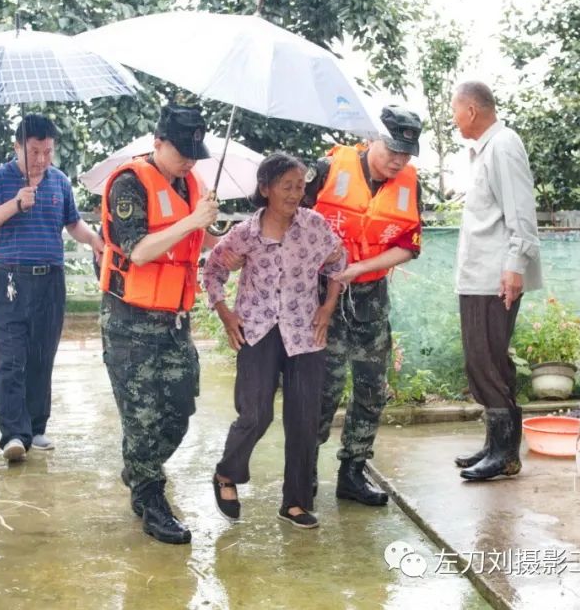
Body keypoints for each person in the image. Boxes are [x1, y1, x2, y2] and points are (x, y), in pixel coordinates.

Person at [202, 153, 345, 530]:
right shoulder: (246, 234)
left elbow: (337, 264)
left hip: (304, 333)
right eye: (287, 186)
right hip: (258, 329)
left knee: (304, 419)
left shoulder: (313, 227)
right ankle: (226, 474)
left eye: (300, 186)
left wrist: (328, 307)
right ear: (265, 189)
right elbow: (213, 270)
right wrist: (225, 313)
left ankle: (296, 502)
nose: (295, 194)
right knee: (255, 413)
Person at [99, 103, 219, 545]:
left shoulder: (191, 184)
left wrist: (214, 228)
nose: (189, 160)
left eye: (194, 152)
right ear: (158, 143)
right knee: (142, 418)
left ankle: (138, 469)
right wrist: (192, 220)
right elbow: (139, 250)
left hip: (174, 320)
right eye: (182, 151)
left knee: (179, 410)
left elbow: (199, 239)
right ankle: (151, 500)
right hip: (130, 320)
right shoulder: (130, 183)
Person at [303, 106, 425, 507]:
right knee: (325, 387)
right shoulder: (325, 170)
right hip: (321, 296)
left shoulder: (409, 182)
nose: (398, 160)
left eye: (406, 153)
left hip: (370, 296)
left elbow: (408, 247)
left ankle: (352, 472)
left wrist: (359, 269)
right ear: (371, 138)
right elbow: (289, 226)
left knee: (372, 389)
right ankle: (303, 469)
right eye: (392, 149)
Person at [0, 115, 104, 463]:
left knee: (41, 357)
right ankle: (14, 435)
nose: (42, 159)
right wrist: (16, 203)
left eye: (48, 151)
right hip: (9, 280)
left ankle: (36, 426)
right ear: (17, 147)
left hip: (50, 280)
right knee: (8, 359)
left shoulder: (59, 181)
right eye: (34, 151)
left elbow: (72, 222)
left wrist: (93, 240)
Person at [450, 81, 542, 481]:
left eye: (455, 110)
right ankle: (497, 446)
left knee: (486, 360)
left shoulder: (504, 144)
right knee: (484, 360)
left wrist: (515, 264)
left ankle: (505, 454)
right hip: (480, 276)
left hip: (494, 277)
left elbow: (520, 211)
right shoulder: (486, 149)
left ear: (470, 110)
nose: (453, 119)